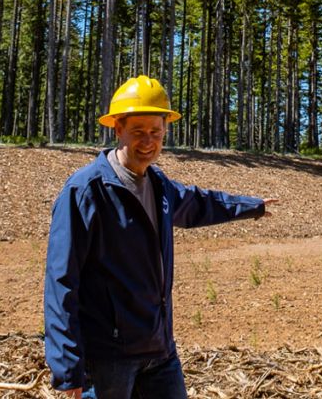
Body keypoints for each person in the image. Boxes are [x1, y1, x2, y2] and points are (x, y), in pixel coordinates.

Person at [44, 75, 278, 398]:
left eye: (156, 131)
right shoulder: (85, 191)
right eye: (138, 131)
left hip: (159, 349)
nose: (148, 141)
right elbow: (61, 280)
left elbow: (200, 204)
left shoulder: (158, 184)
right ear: (118, 129)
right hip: (108, 359)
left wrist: (253, 207)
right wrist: (66, 366)